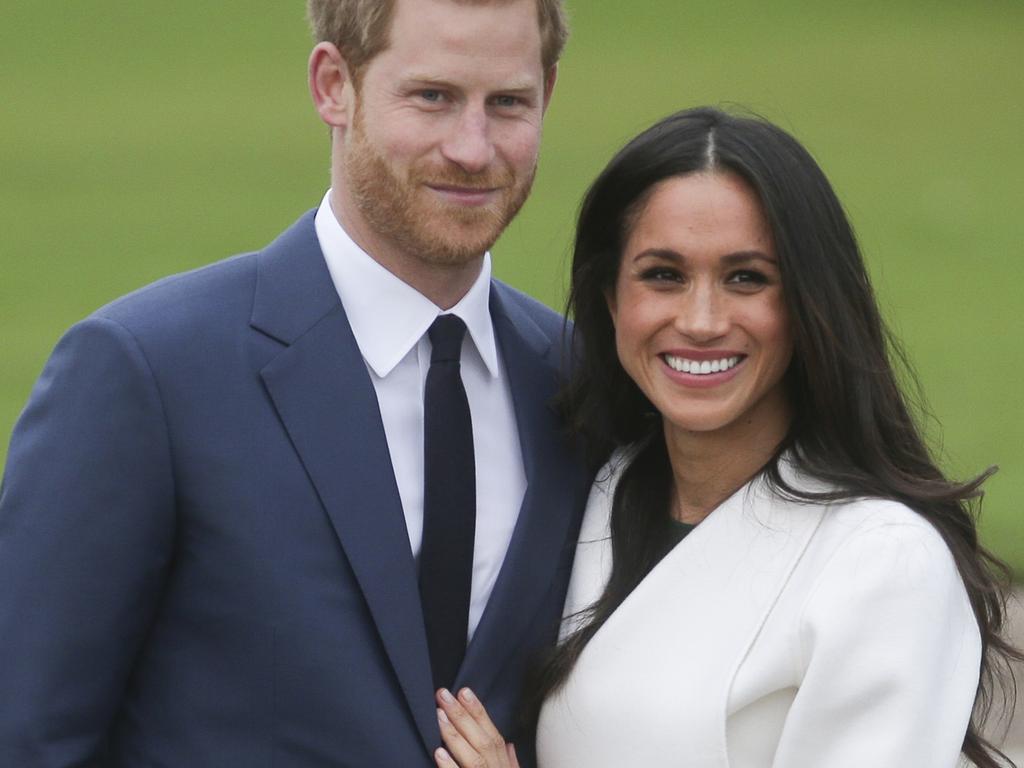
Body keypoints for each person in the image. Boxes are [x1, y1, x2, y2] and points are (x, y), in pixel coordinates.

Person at [0, 0, 592, 765]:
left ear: (548, 91)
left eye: (507, 103)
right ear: (332, 84)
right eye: (433, 97)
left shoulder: (584, 384)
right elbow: (24, 735)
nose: (473, 149)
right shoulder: (146, 373)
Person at [429, 107, 1021, 768]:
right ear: (609, 300)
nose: (702, 320)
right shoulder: (590, 487)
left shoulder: (882, 564)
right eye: (664, 275)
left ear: (807, 305)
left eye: (747, 278)